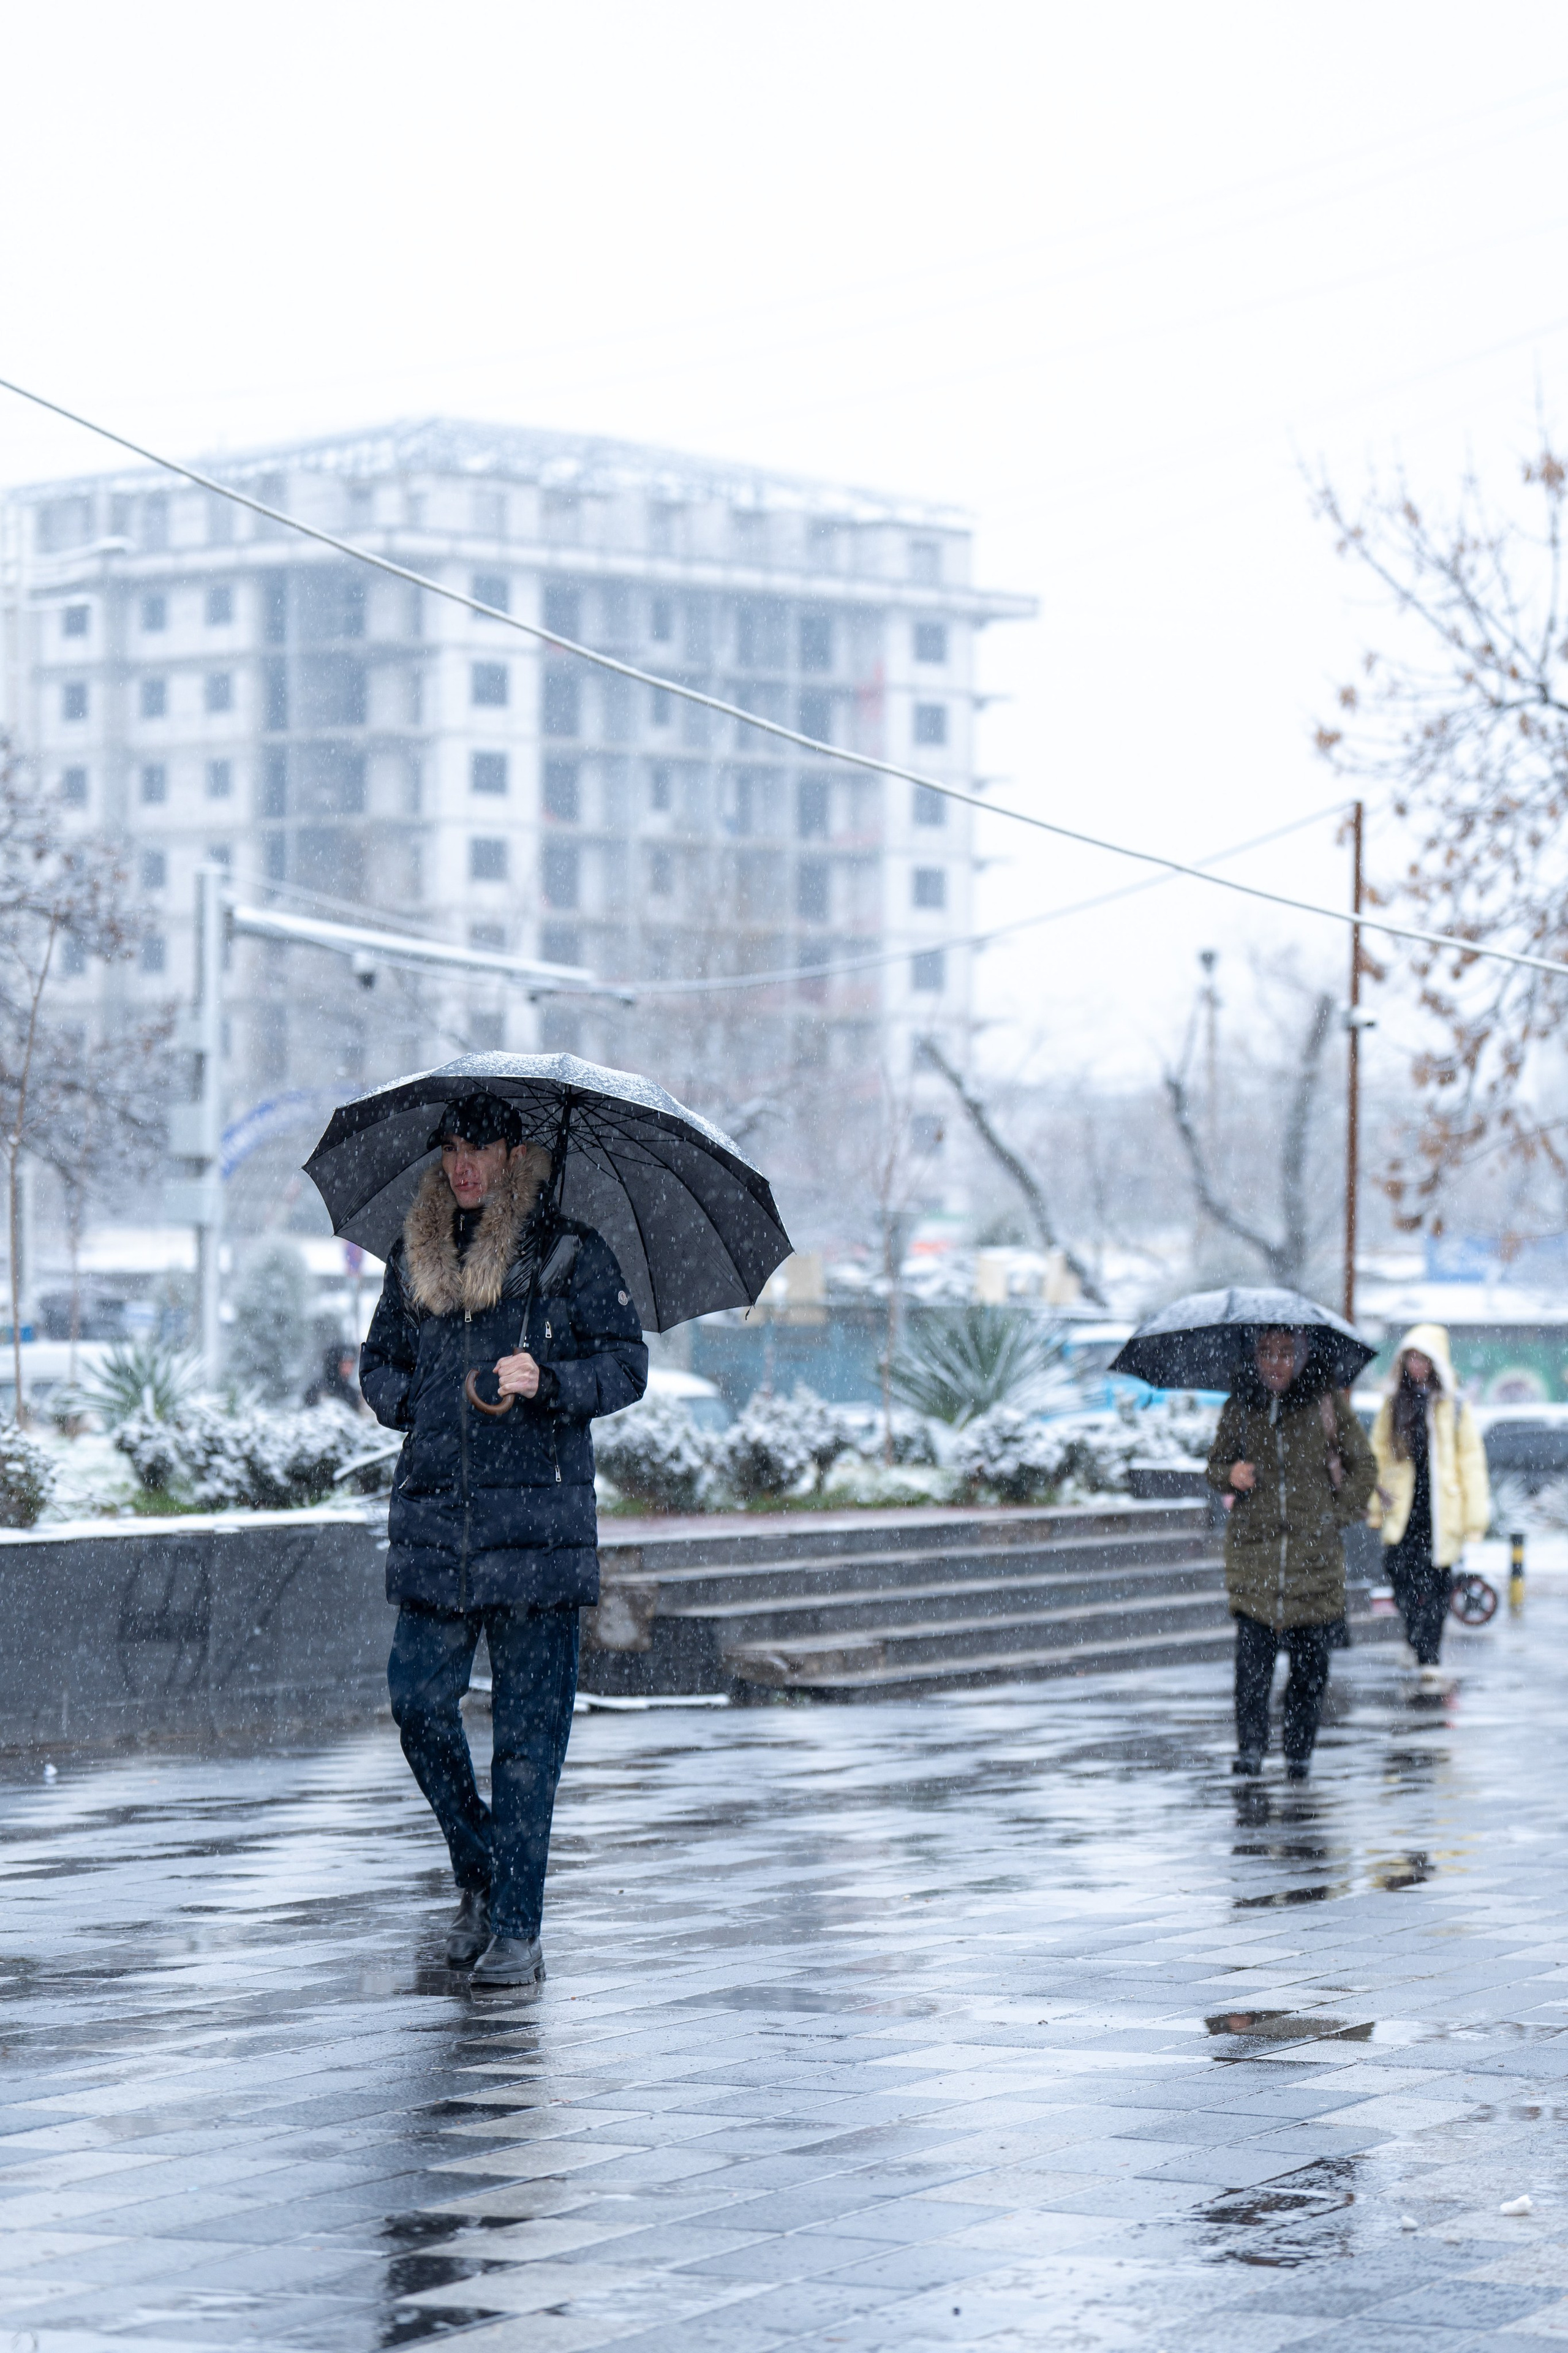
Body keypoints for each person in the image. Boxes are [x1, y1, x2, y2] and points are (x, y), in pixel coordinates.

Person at [360, 1089, 647, 1986]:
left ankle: (517, 1927)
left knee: (528, 1743)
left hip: (538, 1537)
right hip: (438, 1528)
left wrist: (546, 1377)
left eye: (479, 1147)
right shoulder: (415, 1257)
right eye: (451, 1147)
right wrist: (417, 1401)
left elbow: (626, 1366)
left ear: (515, 1154)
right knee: (417, 1704)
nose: (462, 1164)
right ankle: (481, 1872)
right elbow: (379, 1364)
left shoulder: (569, 1254)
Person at [1205, 1326, 1377, 1780]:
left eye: (1285, 1353)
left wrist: (1335, 1515)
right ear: (1254, 1357)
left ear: (1301, 1356)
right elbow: (1215, 1466)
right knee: (1252, 1672)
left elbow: (1364, 1465)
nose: (1275, 1363)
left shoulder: (1326, 1402)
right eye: (1266, 1352)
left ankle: (1299, 1755)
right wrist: (1231, 1474)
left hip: (1313, 1562)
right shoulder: (1241, 1405)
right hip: (1255, 1558)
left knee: (1310, 1671)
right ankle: (1251, 1751)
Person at [1368, 1322, 1490, 1681]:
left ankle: (1429, 1658)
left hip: (1441, 1512)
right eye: (1411, 1358)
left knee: (1437, 1587)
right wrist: (1376, 1502)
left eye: (1423, 1359)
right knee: (1402, 1580)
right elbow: (1378, 1455)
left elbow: (1471, 1462)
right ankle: (1415, 1638)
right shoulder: (1394, 1403)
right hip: (1403, 1510)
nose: (1417, 1366)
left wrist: (1474, 1519)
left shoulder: (1454, 1406)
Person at [305, 1341, 363, 1412]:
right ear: (335, 1363)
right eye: (345, 1363)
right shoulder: (318, 1389)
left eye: (351, 1364)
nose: (349, 1368)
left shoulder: (352, 1394)